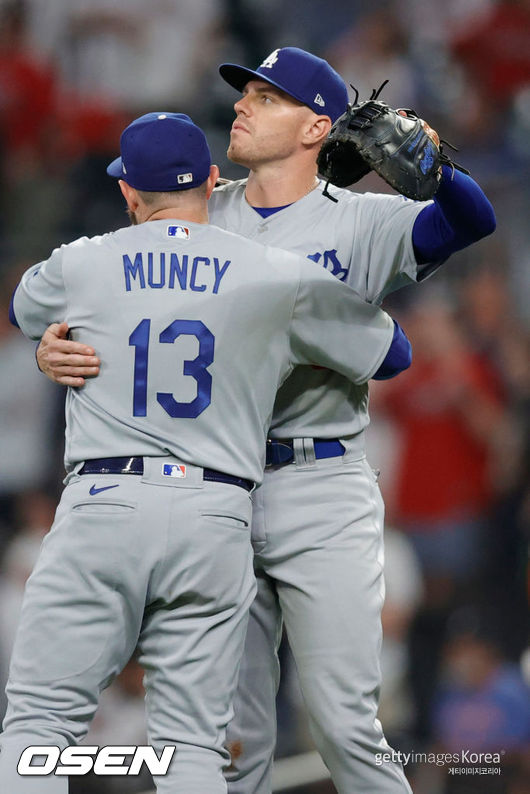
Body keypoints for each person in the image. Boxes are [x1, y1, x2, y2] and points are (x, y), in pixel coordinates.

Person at [35, 47, 496, 793]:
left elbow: (472, 222)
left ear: (319, 124)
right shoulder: (199, 210)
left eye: (266, 96)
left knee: (346, 727)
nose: (243, 105)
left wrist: (437, 162)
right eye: (244, 92)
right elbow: (107, 305)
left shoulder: (365, 220)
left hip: (322, 487)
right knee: (232, 742)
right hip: (217, 491)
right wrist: (55, 347)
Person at [1, 110, 409, 794]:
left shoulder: (83, 261)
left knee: (40, 727)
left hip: (106, 501)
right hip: (215, 512)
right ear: (214, 180)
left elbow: (21, 308)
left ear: (128, 191)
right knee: (193, 743)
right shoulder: (272, 273)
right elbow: (391, 352)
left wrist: (58, 342)